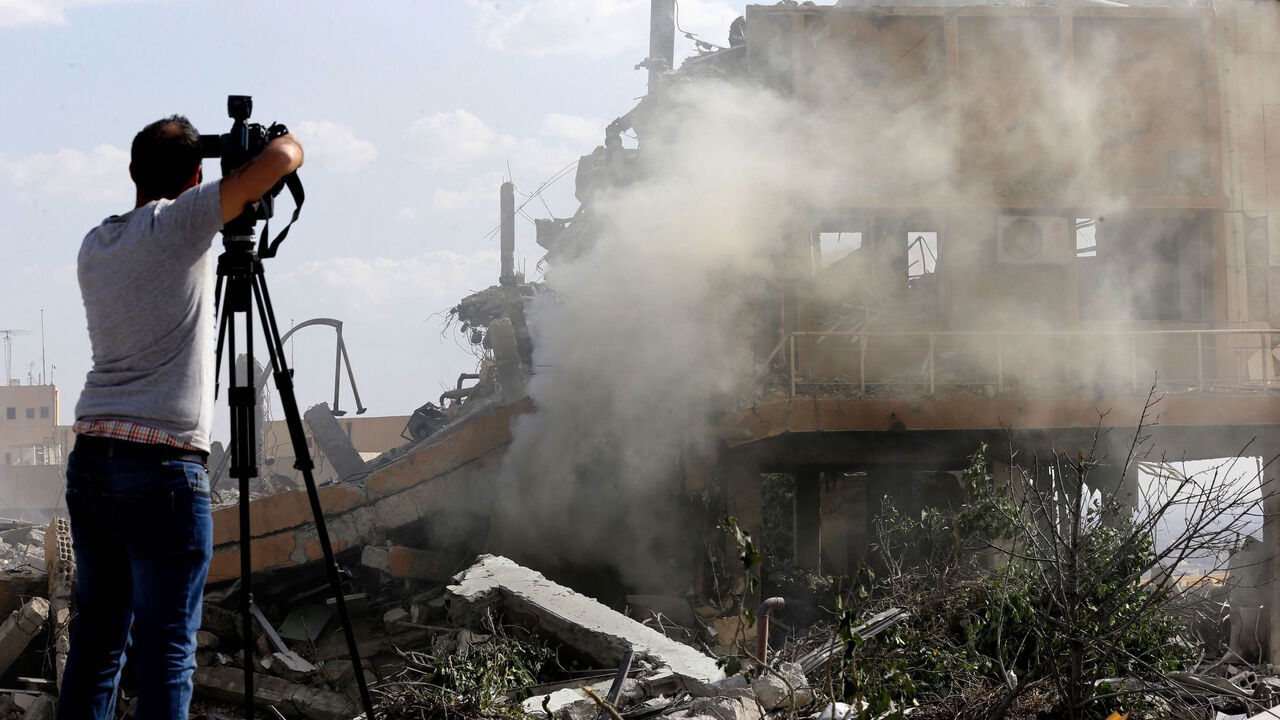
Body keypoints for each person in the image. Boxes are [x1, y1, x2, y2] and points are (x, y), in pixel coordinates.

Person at [59, 115, 303, 720]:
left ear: (132, 171)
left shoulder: (97, 243)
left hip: (92, 461)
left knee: (96, 644)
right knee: (168, 649)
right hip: (162, 469)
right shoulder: (181, 222)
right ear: (196, 177)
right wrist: (269, 147)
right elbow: (286, 158)